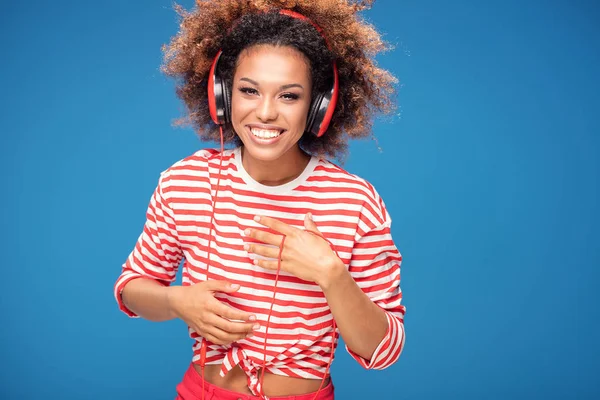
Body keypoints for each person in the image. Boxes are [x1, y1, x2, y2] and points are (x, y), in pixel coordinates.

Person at [113, 1, 405, 399]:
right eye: (249, 91)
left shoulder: (354, 201)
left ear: (319, 106)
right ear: (222, 95)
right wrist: (176, 301)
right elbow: (131, 287)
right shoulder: (186, 181)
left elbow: (384, 351)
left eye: (289, 96)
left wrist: (332, 275)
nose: (265, 113)